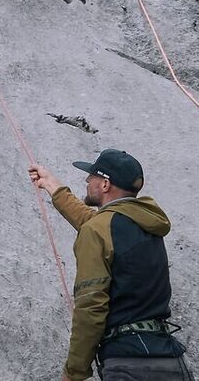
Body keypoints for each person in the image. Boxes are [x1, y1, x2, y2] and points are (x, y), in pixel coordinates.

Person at [29, 150, 193, 381]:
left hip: (130, 367)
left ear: (105, 185)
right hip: (172, 361)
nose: (87, 181)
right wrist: (53, 186)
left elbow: (91, 308)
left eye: (92, 177)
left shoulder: (99, 230)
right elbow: (94, 223)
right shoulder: (144, 222)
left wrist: (73, 373)